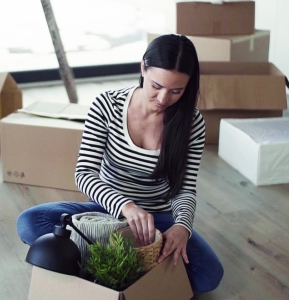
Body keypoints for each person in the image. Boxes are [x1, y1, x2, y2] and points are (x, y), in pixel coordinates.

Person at [17, 34, 224, 294]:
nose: (163, 99)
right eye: (156, 86)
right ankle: (134, 267)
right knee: (30, 222)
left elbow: (185, 189)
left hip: (157, 222)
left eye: (176, 91)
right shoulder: (107, 105)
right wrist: (126, 206)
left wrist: (182, 226)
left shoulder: (192, 123)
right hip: (105, 212)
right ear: (143, 68)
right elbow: (84, 174)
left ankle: (110, 264)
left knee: (209, 275)